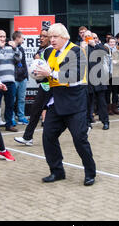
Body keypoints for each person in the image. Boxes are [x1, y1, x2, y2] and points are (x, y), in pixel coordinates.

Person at [35, 23, 96, 186]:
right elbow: (46, 76)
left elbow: (74, 76)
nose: (52, 40)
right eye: (50, 37)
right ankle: (57, 171)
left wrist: (50, 74)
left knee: (79, 139)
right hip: (56, 102)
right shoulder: (49, 52)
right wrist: (38, 75)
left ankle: (90, 172)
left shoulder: (76, 51)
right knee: (48, 136)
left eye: (55, 37)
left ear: (65, 37)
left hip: (74, 102)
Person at [14, 26, 52, 146]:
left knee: (62, 111)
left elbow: (48, 69)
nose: (41, 38)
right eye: (40, 36)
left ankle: (83, 127)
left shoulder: (50, 50)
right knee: (36, 110)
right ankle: (27, 137)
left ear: (50, 38)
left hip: (53, 85)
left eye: (44, 36)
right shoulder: (42, 50)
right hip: (45, 85)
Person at [0, 29, 22, 132]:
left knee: (10, 104)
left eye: (4, 36)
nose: (2, 39)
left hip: (10, 81)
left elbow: (19, 58)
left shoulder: (10, 48)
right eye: (0, 36)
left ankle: (9, 124)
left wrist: (15, 48)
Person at [82, 30, 110, 130]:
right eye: (86, 36)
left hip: (99, 79)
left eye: (90, 36)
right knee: (88, 102)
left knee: (101, 102)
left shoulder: (98, 46)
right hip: (87, 80)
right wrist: (83, 48)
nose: (88, 38)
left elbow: (105, 52)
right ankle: (88, 122)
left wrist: (95, 45)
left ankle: (105, 121)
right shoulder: (81, 47)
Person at [12, 31, 29, 125]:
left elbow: (24, 63)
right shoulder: (9, 48)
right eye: (22, 38)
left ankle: (21, 117)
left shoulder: (21, 48)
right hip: (14, 78)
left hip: (23, 78)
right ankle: (11, 118)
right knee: (12, 99)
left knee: (21, 99)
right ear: (17, 38)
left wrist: (26, 75)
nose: (23, 40)